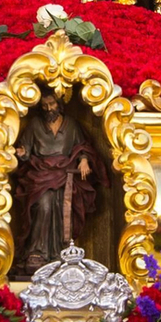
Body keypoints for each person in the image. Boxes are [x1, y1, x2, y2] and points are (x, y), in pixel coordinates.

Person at [13, 90, 99, 274]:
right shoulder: (35, 125)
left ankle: (60, 253)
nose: (48, 109)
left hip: (65, 175)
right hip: (41, 175)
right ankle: (37, 251)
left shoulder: (71, 125)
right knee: (43, 206)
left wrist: (83, 159)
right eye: (44, 106)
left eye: (51, 104)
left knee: (63, 209)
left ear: (59, 104)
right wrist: (21, 152)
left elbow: (82, 145)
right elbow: (26, 149)